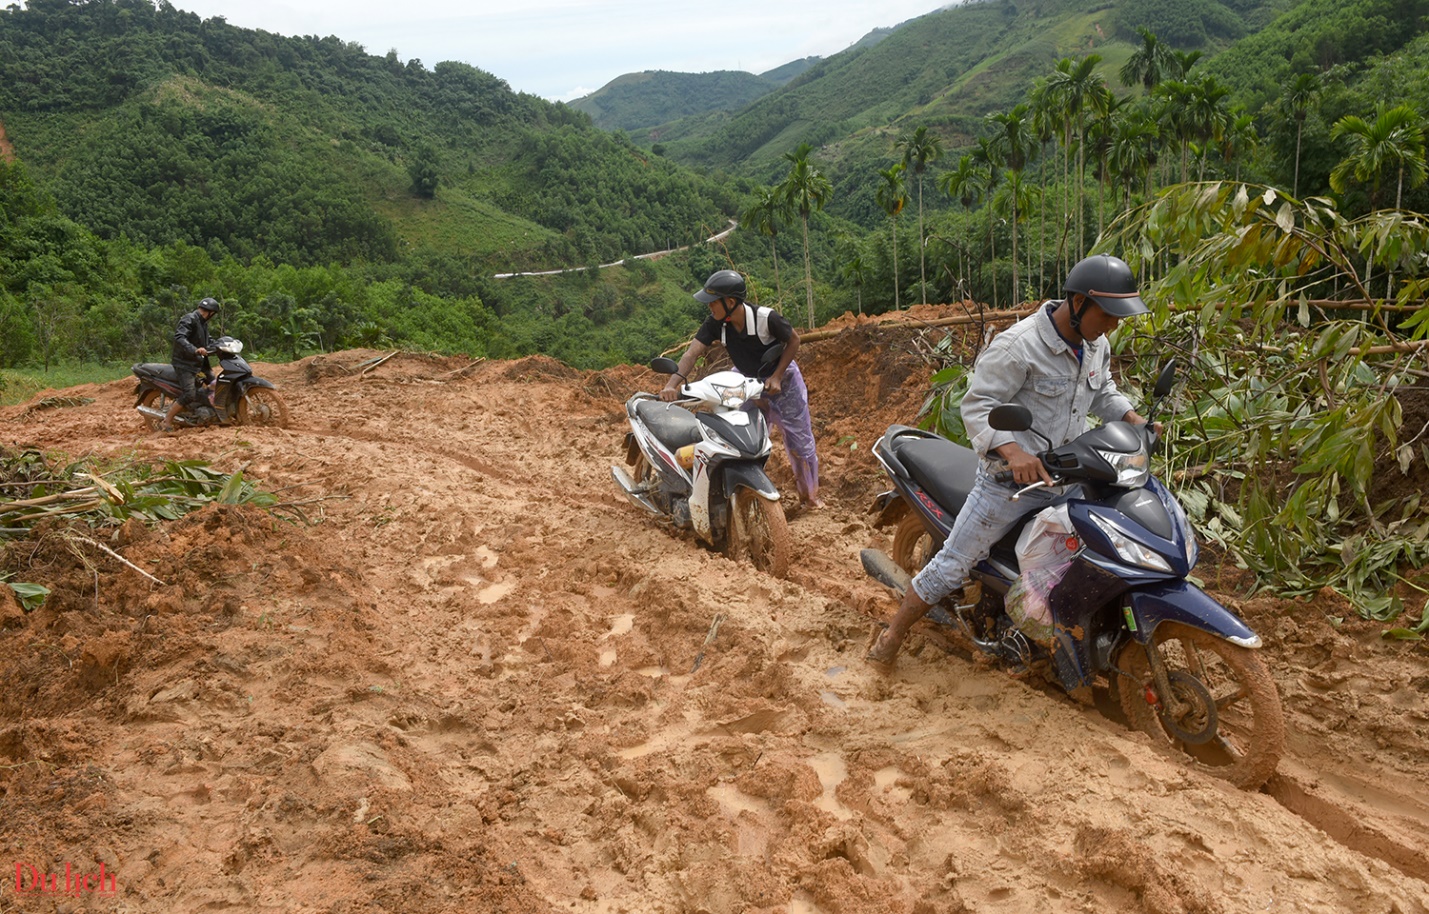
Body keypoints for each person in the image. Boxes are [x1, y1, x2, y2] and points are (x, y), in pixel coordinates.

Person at [866, 253, 1153, 669]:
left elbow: (1104, 390)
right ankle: (891, 637)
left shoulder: (1096, 345)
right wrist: (1013, 451)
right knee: (952, 565)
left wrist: (1132, 418)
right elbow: (978, 404)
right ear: (1078, 304)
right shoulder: (1020, 346)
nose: (1114, 324)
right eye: (1108, 314)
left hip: (1066, 477)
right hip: (1007, 486)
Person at [661, 269, 824, 510]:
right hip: (747, 382)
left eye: (713, 302)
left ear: (730, 301)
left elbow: (794, 340)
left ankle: (810, 497)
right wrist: (671, 384)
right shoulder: (717, 324)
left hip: (783, 384)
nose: (709, 308)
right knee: (736, 435)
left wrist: (777, 376)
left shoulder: (766, 318)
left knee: (800, 443)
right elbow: (692, 352)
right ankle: (742, 490)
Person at [161, 296, 220, 430]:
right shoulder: (189, 319)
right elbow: (180, 337)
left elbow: (207, 340)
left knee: (215, 384)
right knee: (189, 394)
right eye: (213, 314)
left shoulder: (203, 323)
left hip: (198, 363)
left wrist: (220, 345)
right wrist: (194, 350)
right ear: (210, 312)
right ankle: (167, 420)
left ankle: (210, 412)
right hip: (185, 364)